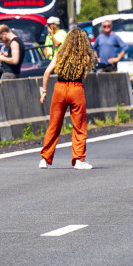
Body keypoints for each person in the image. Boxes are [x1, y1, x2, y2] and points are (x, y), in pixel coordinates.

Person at [38, 28, 94, 170]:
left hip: (60, 88)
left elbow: (46, 72)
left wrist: (44, 92)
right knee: (79, 126)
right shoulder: (84, 56)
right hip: (76, 88)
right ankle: (79, 160)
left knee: (54, 124)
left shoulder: (60, 53)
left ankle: (45, 159)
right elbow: (84, 74)